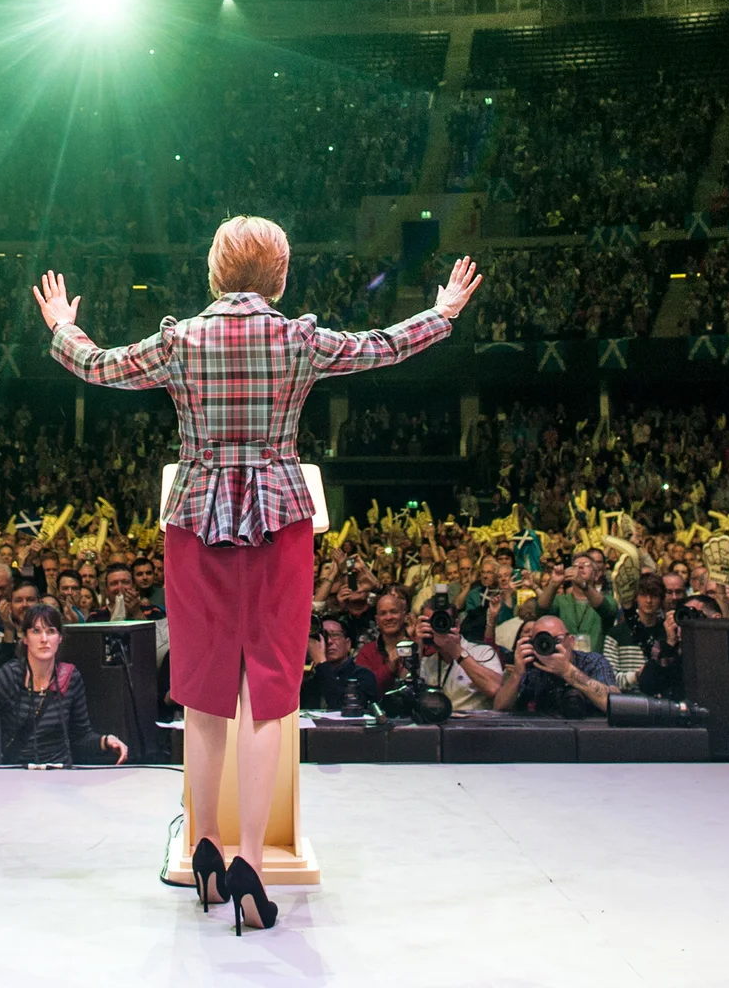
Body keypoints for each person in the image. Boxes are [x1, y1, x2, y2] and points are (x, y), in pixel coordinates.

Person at [39, 218, 481, 933]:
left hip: (197, 519)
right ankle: (249, 862)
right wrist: (444, 312)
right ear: (278, 276)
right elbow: (383, 348)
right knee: (268, 694)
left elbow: (101, 367)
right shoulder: (297, 339)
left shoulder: (182, 340)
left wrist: (63, 326)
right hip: (278, 517)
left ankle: (204, 848)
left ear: (215, 272)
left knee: (206, 695)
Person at [0, 601, 129, 765]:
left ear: (60, 638)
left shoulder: (70, 677)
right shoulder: (10, 675)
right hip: (13, 781)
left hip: (58, 779)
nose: (44, 639)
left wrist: (105, 741)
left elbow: (80, 737)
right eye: (36, 631)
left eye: (51, 631)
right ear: (25, 638)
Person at [491, 614, 614, 716]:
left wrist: (567, 671)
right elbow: (500, 708)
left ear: (571, 641)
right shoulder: (531, 666)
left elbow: (615, 705)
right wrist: (517, 675)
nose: (551, 646)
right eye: (543, 641)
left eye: (557, 640)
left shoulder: (593, 662)